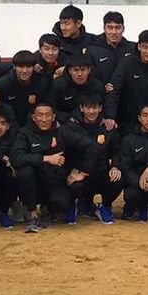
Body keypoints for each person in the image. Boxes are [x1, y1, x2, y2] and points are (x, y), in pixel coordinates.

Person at [12, 102, 72, 233]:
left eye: (47, 115)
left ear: (53, 116)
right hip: (32, 182)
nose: (44, 119)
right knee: (25, 171)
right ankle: (31, 212)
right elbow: (16, 158)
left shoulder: (61, 133)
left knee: (62, 203)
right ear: (33, 117)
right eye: (40, 115)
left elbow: (80, 148)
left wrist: (79, 170)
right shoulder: (24, 133)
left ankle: (47, 210)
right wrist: (46, 159)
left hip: (54, 179)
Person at [61, 95, 120, 224]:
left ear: (100, 108)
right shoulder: (71, 126)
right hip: (78, 173)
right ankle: (72, 205)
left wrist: (115, 166)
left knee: (118, 178)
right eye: (88, 107)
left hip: (100, 172)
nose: (91, 111)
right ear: (81, 108)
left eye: (95, 107)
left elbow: (115, 150)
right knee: (74, 183)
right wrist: (75, 172)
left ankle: (104, 206)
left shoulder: (108, 127)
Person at [0, 50, 50, 118]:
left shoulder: (42, 82)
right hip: (9, 120)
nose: (24, 71)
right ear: (14, 67)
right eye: (21, 67)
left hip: (33, 120)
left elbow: (45, 105)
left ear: (33, 67)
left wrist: (35, 103)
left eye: (28, 67)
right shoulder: (3, 84)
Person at [85, 11, 135, 81]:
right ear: (104, 28)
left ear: (123, 29)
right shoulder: (93, 49)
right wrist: (102, 87)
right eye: (110, 28)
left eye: (117, 28)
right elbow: (89, 76)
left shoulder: (132, 49)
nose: (114, 32)